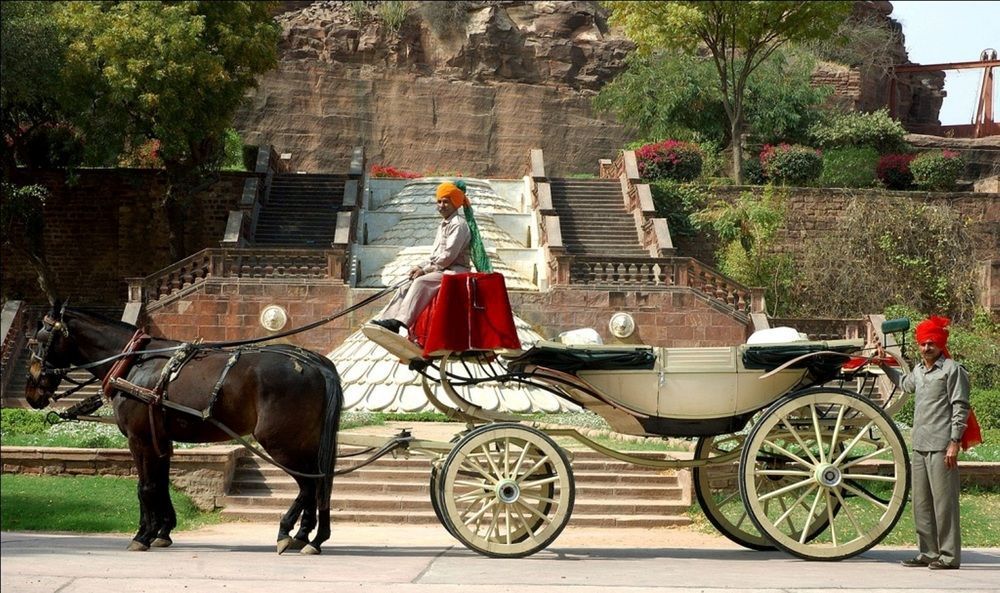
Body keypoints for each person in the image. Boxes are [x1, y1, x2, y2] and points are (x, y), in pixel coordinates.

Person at [877, 315, 970, 570]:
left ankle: (949, 556)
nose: (926, 348)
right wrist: (884, 362)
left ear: (940, 344)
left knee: (944, 504)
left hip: (942, 446)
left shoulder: (952, 370)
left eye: (931, 343)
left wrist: (954, 443)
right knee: (921, 504)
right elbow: (904, 384)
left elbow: (960, 407)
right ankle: (928, 553)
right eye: (922, 344)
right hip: (919, 445)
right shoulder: (918, 371)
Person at [369, 181, 478, 334]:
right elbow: (435, 255)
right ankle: (388, 321)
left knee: (421, 282)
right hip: (442, 269)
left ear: (455, 204)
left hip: (456, 271)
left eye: (445, 202)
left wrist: (425, 271)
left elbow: (448, 256)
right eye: (439, 202)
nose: (441, 205)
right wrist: (420, 267)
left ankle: (401, 322)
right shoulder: (444, 224)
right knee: (406, 284)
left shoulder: (458, 225)